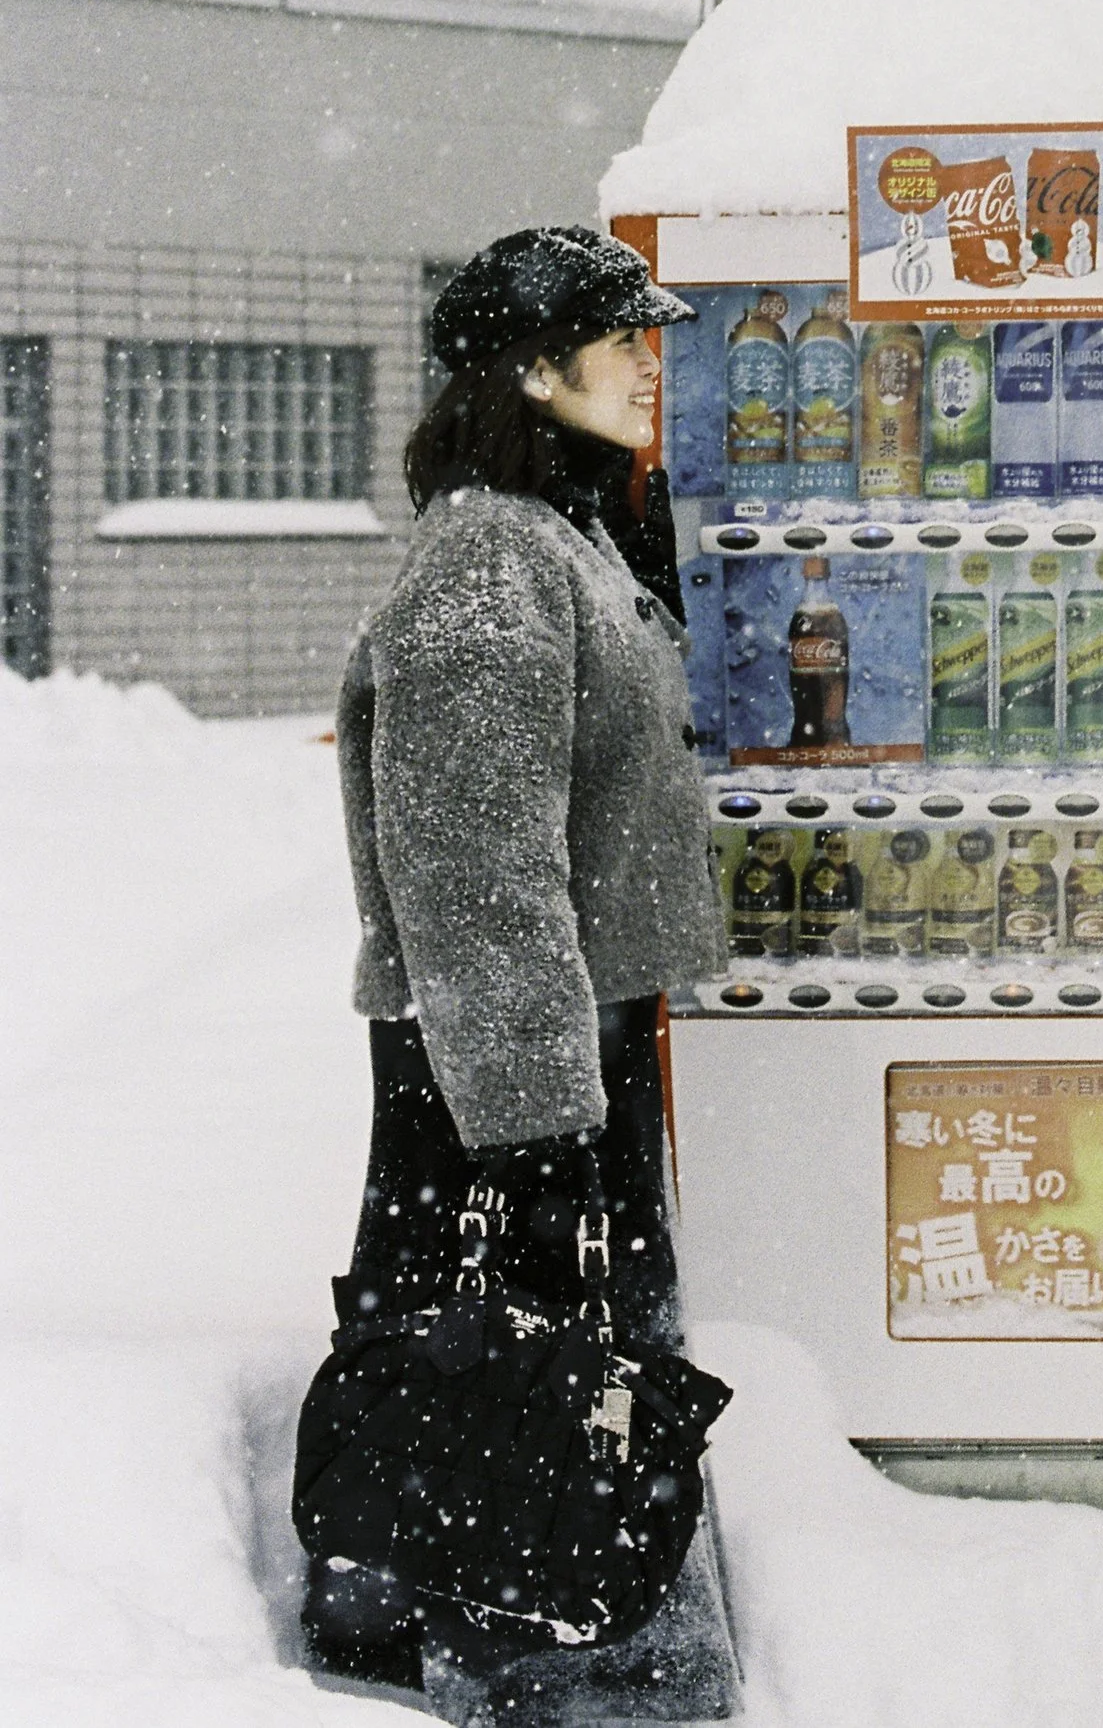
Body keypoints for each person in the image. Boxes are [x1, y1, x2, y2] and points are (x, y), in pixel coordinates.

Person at [302, 225, 732, 1708]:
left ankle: (530, 1641)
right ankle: (497, 1660)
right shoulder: (490, 555)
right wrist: (540, 1118)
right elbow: (471, 862)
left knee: (533, 1374)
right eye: (625, 344)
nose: (649, 367)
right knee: (500, 1369)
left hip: (541, 1032)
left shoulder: (556, 535)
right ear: (538, 371)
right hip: (502, 1054)